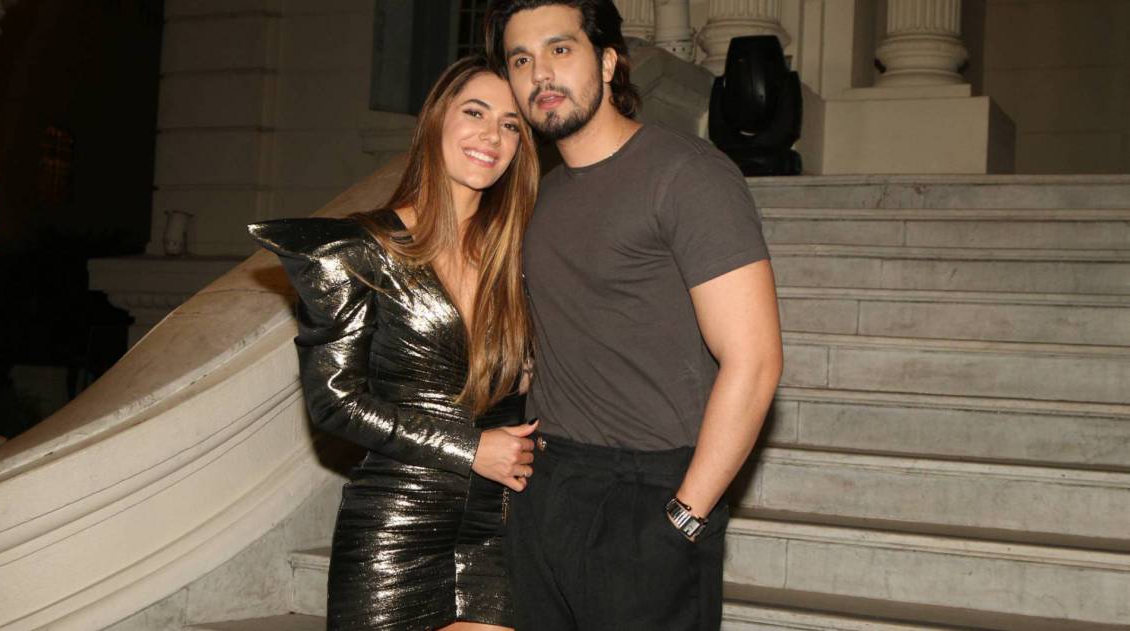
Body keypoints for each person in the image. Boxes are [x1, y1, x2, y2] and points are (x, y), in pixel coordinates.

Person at [483, 2, 784, 629]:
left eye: (560, 49)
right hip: (546, 483)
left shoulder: (688, 175)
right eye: (521, 59)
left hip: (648, 491)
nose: (541, 74)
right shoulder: (537, 196)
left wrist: (685, 515)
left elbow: (754, 361)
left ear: (608, 61)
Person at [248, 55, 539, 631]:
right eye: (475, 112)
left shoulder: (519, 258)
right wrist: (469, 448)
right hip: (395, 529)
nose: (492, 135)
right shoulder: (360, 249)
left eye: (510, 124)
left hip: (497, 527)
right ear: (435, 123)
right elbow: (334, 401)